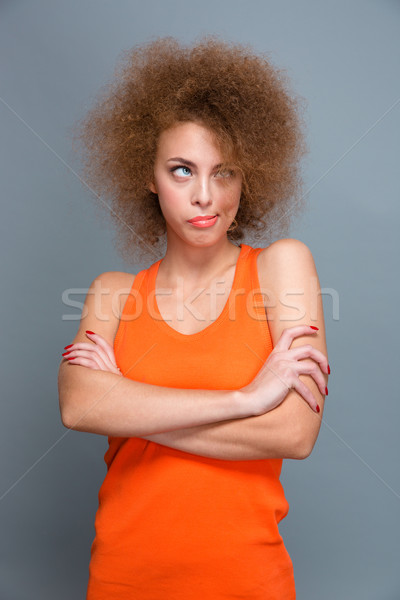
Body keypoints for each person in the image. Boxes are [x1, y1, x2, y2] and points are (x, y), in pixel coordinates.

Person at [58, 36, 329, 600]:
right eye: (182, 170)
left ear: (246, 177)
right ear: (148, 175)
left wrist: (131, 401)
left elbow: (294, 432)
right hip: (123, 578)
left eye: (223, 171)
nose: (204, 196)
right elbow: (81, 405)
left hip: (247, 580)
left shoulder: (283, 266)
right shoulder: (111, 293)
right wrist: (245, 401)